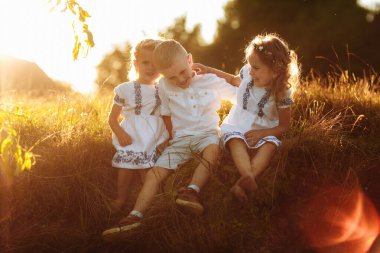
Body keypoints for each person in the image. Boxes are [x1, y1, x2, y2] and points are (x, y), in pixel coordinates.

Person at [102, 39, 236, 237]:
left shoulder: (210, 81)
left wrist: (212, 70)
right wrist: (170, 136)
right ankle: (135, 215)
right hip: (180, 139)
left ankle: (192, 191)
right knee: (154, 174)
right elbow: (164, 113)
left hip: (207, 133)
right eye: (172, 77)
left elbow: (241, 90)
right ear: (163, 75)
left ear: (190, 60)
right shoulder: (163, 86)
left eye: (183, 72)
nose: (180, 80)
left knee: (213, 150)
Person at [193, 33, 299, 203]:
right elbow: (232, 80)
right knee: (236, 141)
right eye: (250, 65)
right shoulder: (248, 74)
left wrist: (263, 134)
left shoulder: (281, 92)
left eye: (256, 68)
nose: (250, 71)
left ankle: (243, 183)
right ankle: (247, 176)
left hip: (265, 128)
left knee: (270, 146)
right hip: (238, 122)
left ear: (275, 71)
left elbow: (284, 126)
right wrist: (208, 69)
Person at [107, 38, 169, 215]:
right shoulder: (125, 89)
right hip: (131, 134)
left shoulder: (163, 89)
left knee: (148, 171)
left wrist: (167, 138)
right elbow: (112, 119)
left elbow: (165, 116)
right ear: (136, 64)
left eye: (156, 63)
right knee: (126, 166)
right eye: (145, 62)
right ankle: (121, 199)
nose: (151, 67)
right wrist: (120, 133)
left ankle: (148, 205)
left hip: (155, 135)